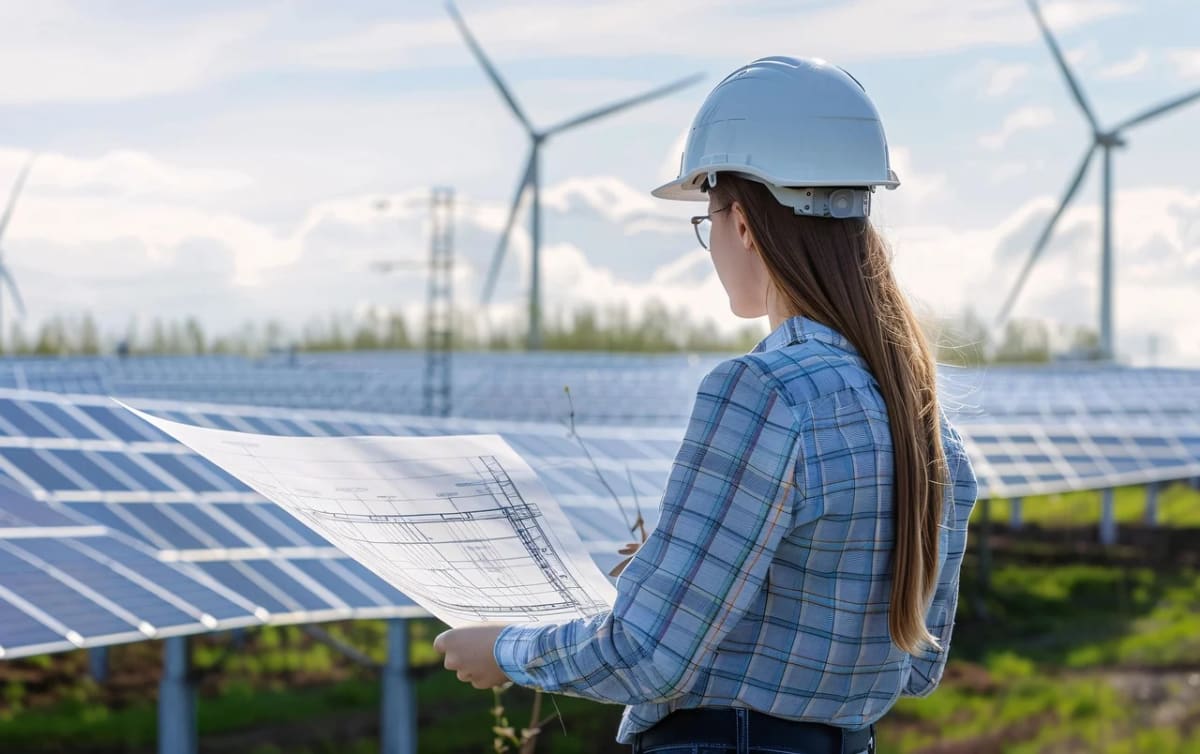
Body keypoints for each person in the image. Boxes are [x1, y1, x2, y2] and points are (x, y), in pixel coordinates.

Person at [435, 56, 979, 754]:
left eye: (708, 220)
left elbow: (648, 655)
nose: (712, 245)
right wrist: (692, 577)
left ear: (744, 223)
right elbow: (918, 667)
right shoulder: (929, 427)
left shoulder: (765, 393)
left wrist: (505, 650)